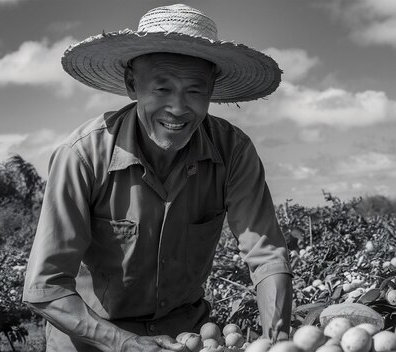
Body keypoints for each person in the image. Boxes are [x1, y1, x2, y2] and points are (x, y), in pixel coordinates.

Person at [23, 4, 293, 351]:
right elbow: (45, 287)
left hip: (187, 337)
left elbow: (267, 254)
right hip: (92, 336)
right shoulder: (83, 157)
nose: (178, 108)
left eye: (195, 91)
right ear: (132, 84)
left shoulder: (233, 152)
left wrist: (279, 339)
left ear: (212, 90)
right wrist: (124, 343)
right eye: (162, 89)